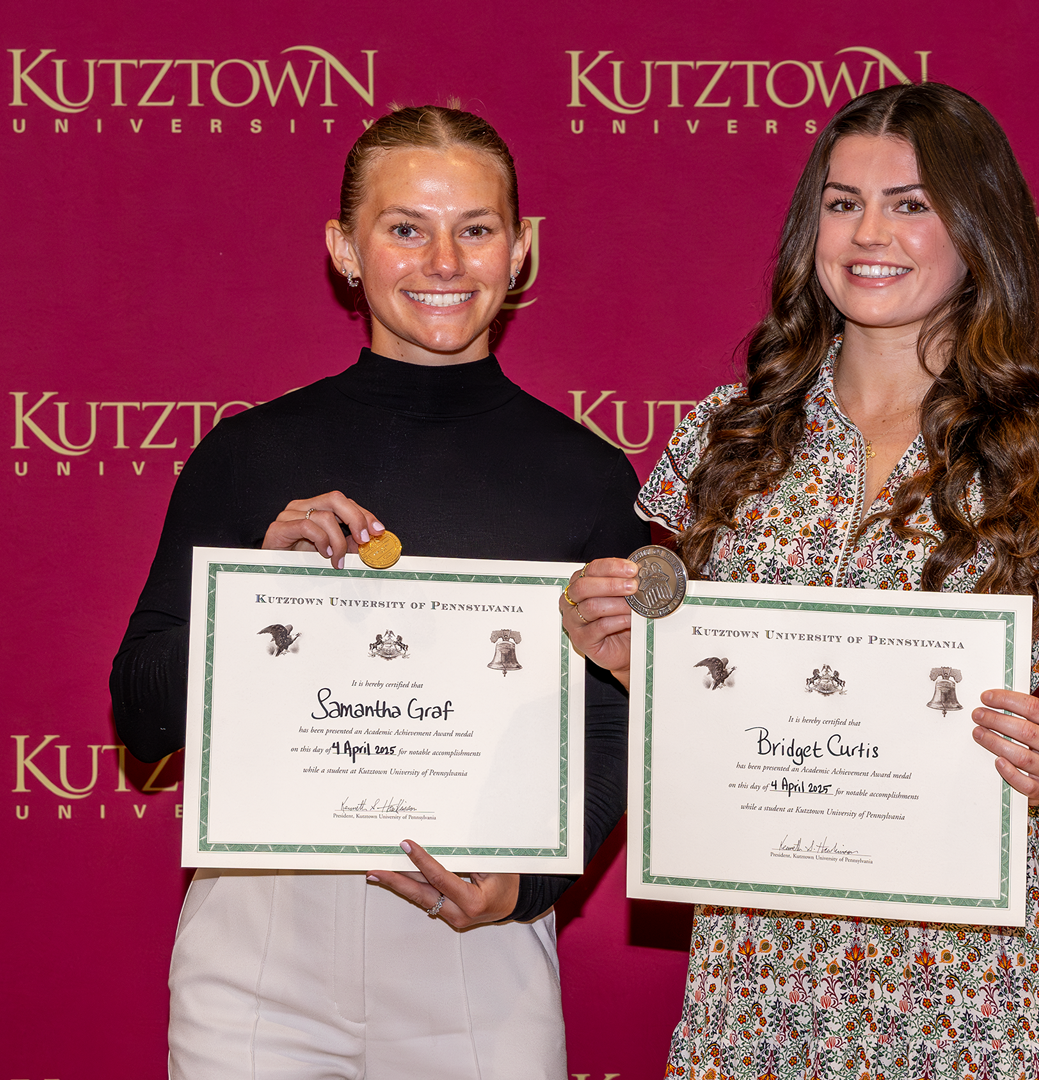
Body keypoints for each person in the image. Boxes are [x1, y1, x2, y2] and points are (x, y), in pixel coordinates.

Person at [561, 83, 1039, 1079]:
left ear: (981, 229)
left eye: (912, 203)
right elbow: (711, 689)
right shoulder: (729, 437)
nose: (868, 233)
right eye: (843, 202)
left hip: (973, 970)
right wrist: (632, 659)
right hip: (762, 963)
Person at [111, 104, 646, 1079]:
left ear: (520, 250)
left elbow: (608, 725)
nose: (443, 260)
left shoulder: (589, 478)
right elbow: (143, 717)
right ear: (344, 250)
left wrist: (531, 883)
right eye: (406, 227)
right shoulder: (247, 456)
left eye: (475, 228)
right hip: (261, 957)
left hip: (474, 957)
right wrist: (262, 591)